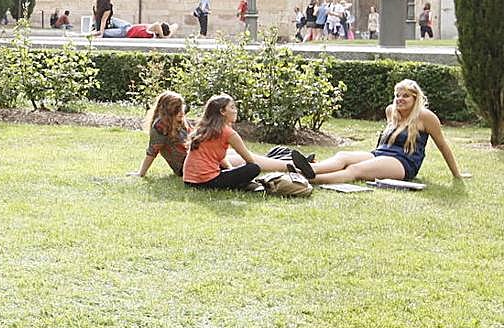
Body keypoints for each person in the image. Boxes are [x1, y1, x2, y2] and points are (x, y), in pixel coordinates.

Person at [309, 80, 468, 185]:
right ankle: (311, 169)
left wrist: (457, 175)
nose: (400, 99)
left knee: (355, 170)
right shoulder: (391, 111)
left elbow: (443, 146)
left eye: (405, 96)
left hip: (402, 162)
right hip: (380, 154)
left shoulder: (425, 117)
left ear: (415, 99)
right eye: (397, 95)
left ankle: (311, 179)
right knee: (343, 156)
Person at [134, 91, 313, 179]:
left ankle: (297, 162)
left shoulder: (179, 121)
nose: (182, 114)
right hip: (189, 166)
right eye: (178, 112)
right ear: (167, 112)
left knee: (244, 156)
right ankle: (295, 166)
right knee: (246, 159)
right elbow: (152, 151)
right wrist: (140, 173)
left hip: (200, 158)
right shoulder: (161, 126)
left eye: (182, 110)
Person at [182, 95, 267, 190]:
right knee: (253, 168)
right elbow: (250, 161)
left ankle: (243, 184)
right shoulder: (228, 132)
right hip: (207, 181)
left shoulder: (203, 128)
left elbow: (218, 159)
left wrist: (231, 171)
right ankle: (244, 185)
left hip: (189, 181)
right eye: (232, 107)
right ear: (222, 112)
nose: (235, 111)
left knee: (232, 172)